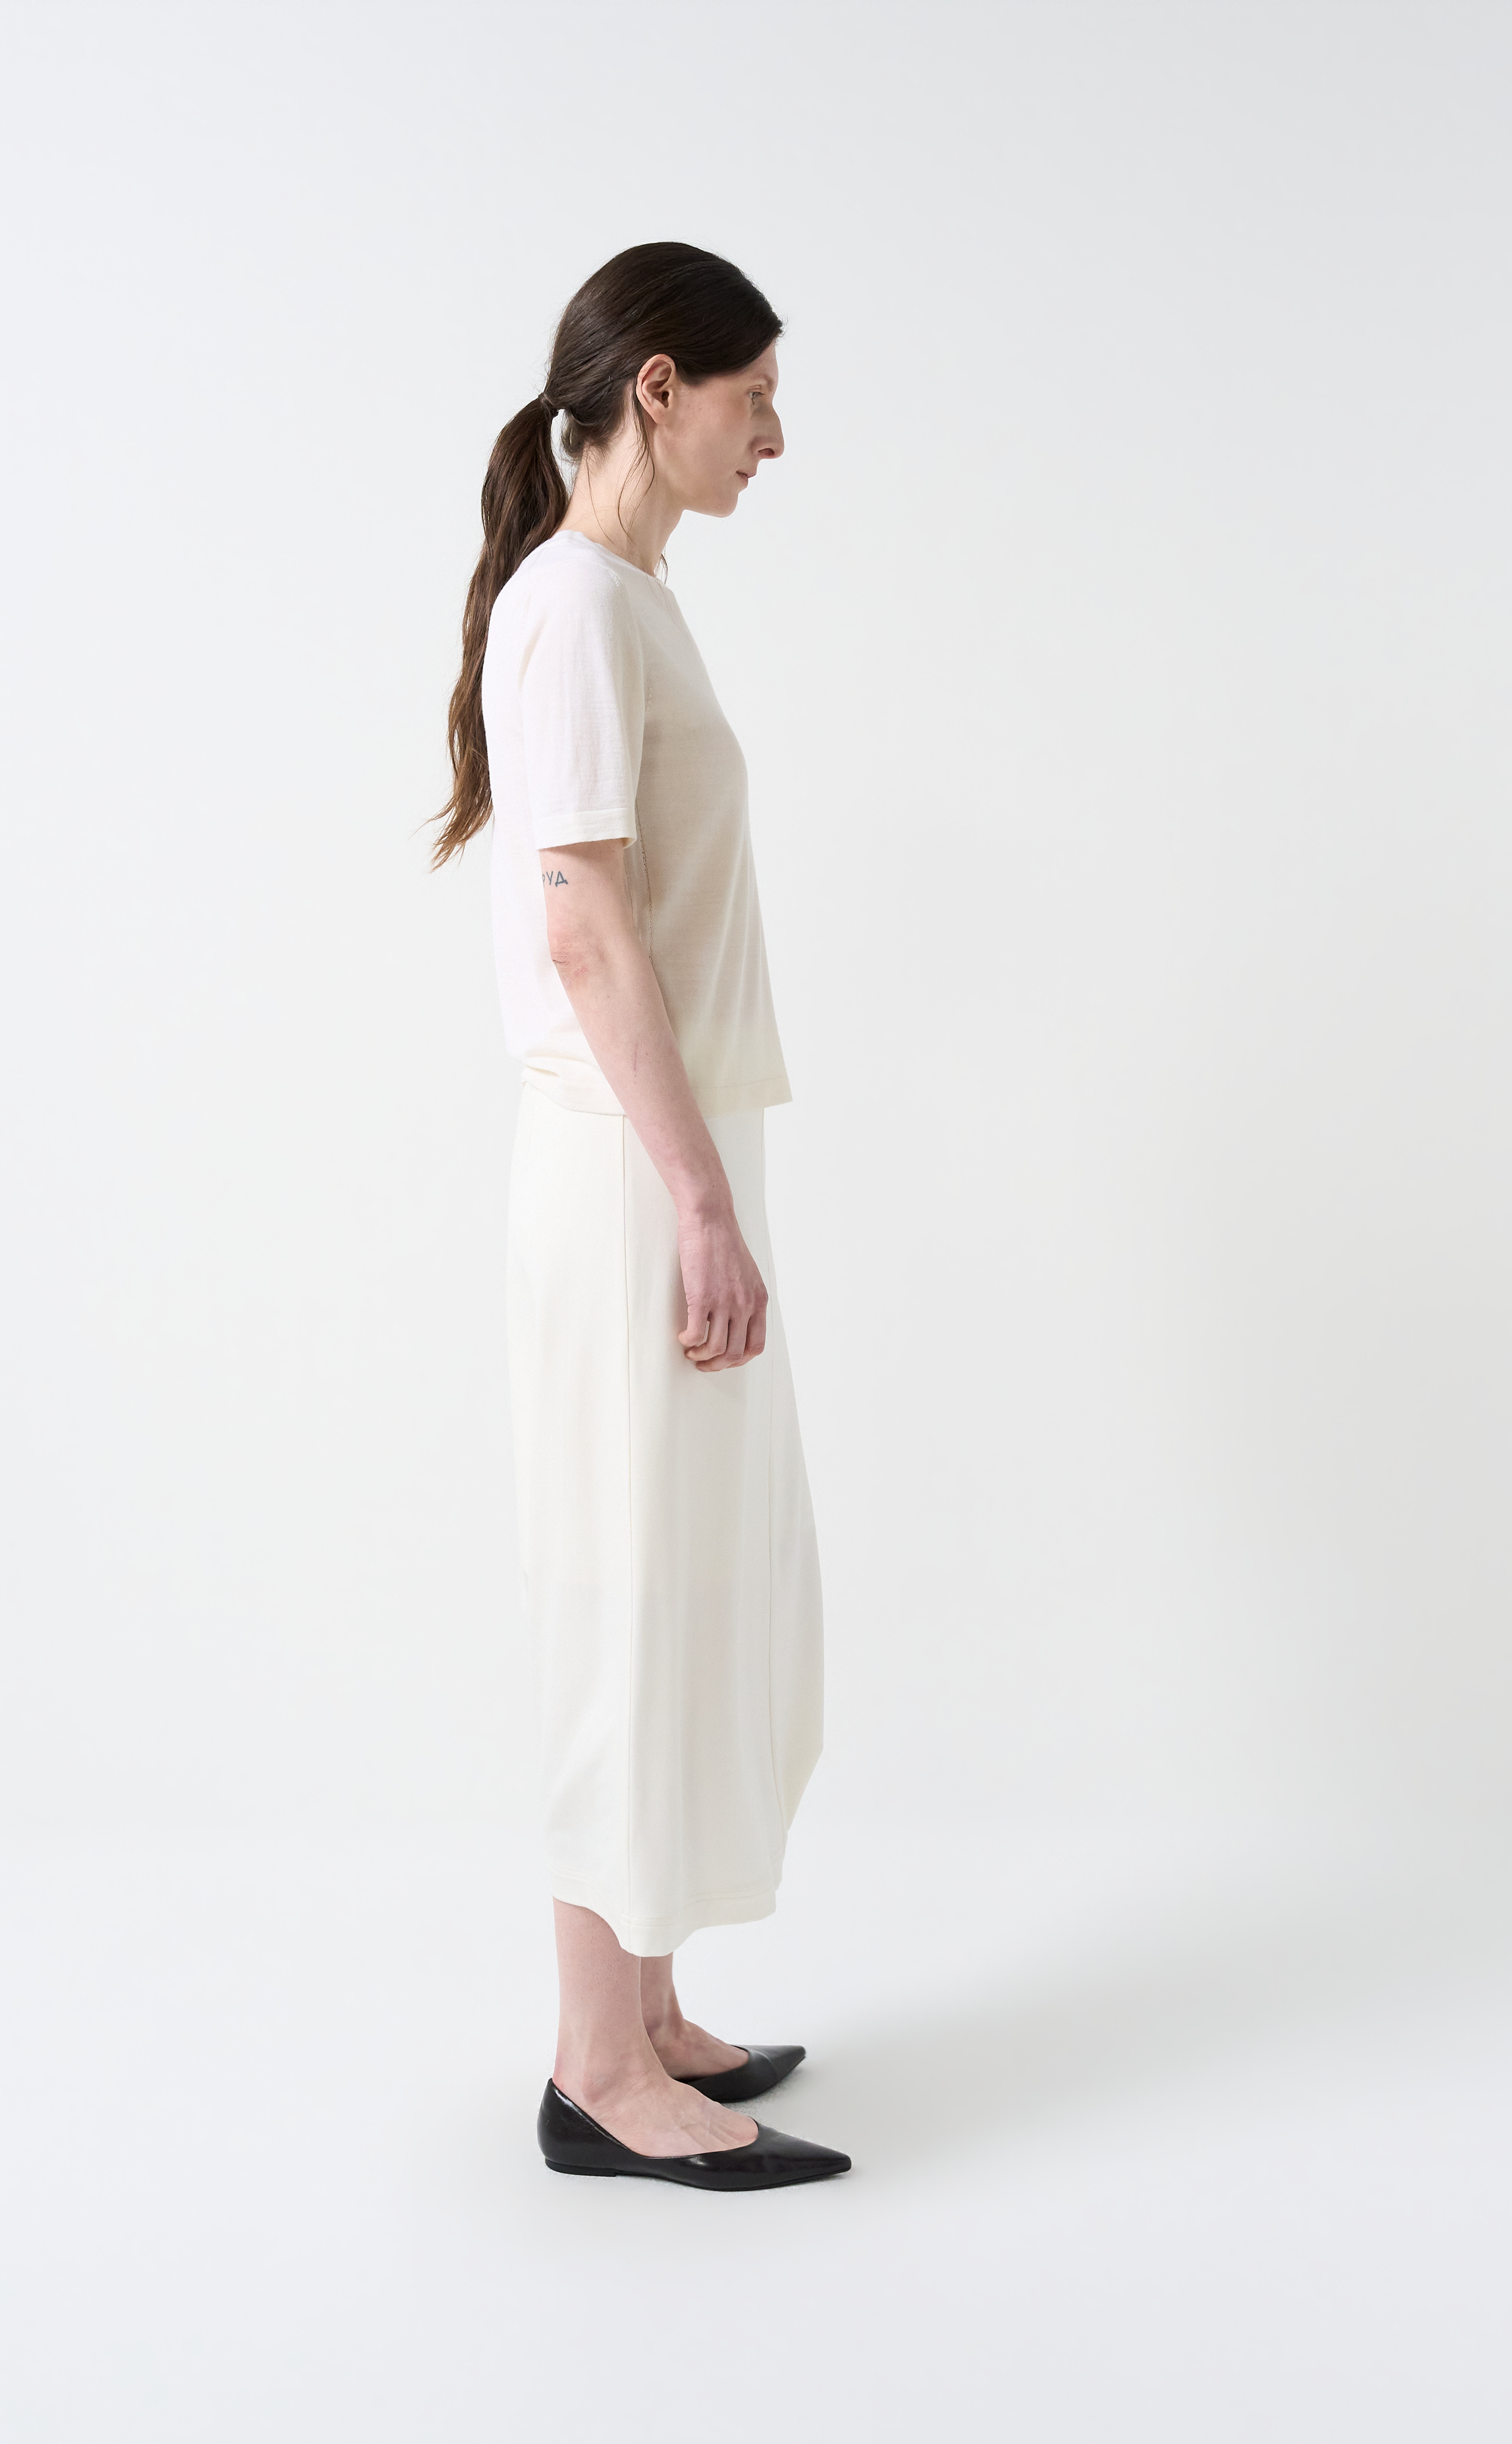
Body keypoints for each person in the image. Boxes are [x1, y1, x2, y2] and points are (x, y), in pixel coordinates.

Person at [434, 243, 848, 2192]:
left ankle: (655, 2006)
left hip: (667, 1159)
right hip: (628, 1173)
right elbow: (586, 929)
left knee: (684, 1583)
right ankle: (598, 2068)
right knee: (625, 1593)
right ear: (660, 388)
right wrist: (695, 1199)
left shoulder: (625, 597)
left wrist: (712, 1182)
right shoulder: (577, 607)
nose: (778, 433)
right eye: (755, 397)